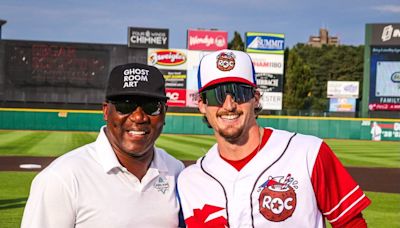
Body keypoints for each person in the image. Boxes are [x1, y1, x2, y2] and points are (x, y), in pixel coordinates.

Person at [177, 50, 371, 227]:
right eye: (216, 95)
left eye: (239, 92)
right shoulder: (191, 180)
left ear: (256, 98)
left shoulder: (308, 153)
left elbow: (351, 222)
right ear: (201, 104)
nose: (229, 105)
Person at [21, 63, 185, 228]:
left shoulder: (177, 171)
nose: (138, 117)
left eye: (152, 107)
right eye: (125, 105)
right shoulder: (62, 178)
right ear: (106, 111)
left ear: (165, 113)